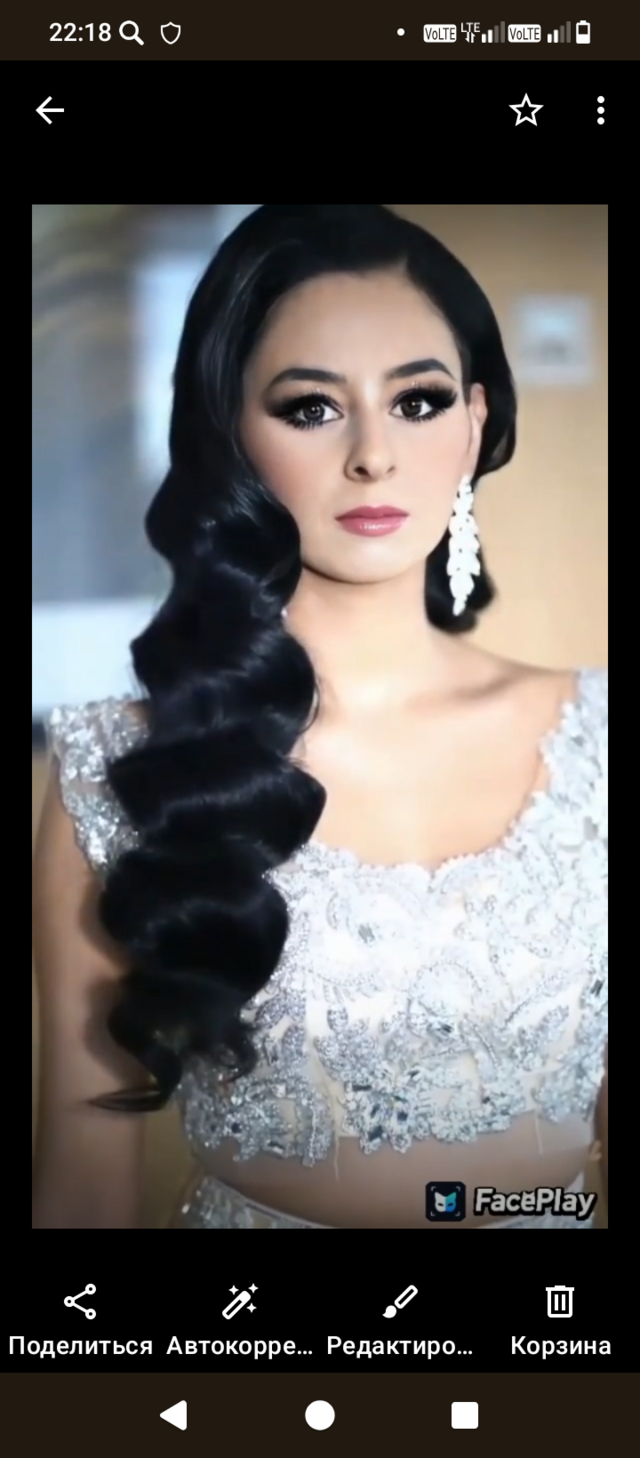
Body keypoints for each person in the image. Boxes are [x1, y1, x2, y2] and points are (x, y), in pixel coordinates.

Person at [32, 204, 608, 1229]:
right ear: (231, 437)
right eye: (311, 408)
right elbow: (83, 1190)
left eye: (419, 401)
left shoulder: (600, 735)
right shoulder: (120, 767)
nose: (374, 455)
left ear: (476, 423)